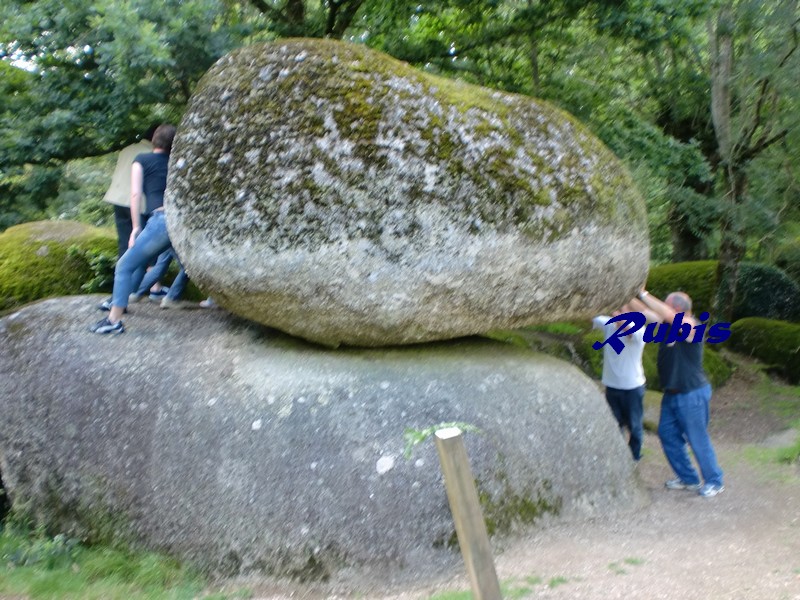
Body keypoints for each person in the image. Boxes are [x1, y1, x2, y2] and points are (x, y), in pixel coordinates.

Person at [91, 124, 188, 334]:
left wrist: (136, 227)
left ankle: (114, 320)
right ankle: (164, 295)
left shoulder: (141, 160)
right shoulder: (177, 163)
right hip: (180, 221)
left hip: (161, 221)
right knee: (186, 266)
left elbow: (135, 195)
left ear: (153, 140)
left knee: (125, 265)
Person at [636, 289, 725, 497]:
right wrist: (627, 294)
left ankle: (715, 481)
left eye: (666, 305)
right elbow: (642, 311)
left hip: (692, 393)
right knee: (667, 434)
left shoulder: (692, 326)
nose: (662, 308)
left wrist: (643, 293)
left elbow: (660, 312)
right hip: (672, 393)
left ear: (676, 309)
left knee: (697, 438)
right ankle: (688, 478)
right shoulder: (667, 325)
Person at [592, 299, 651, 461]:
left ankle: (634, 456)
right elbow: (591, 316)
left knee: (634, 426)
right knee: (614, 424)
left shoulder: (640, 331)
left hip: (632, 387)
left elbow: (628, 330)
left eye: (622, 311)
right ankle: (617, 457)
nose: (617, 313)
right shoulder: (608, 325)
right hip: (611, 386)